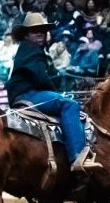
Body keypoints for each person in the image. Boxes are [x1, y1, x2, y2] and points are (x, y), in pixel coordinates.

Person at [7, 12, 100, 173]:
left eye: (43, 31)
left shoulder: (29, 50)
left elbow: (48, 74)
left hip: (24, 93)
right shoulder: (32, 49)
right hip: (29, 94)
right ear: (26, 35)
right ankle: (77, 156)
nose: (41, 34)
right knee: (69, 104)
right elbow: (41, 77)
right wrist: (58, 94)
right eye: (35, 31)